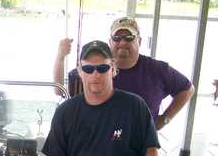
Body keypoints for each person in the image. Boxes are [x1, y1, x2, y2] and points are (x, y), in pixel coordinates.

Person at [53, 17, 194, 130]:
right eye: (117, 38)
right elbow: (59, 90)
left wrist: (165, 119)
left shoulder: (159, 70)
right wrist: (60, 58)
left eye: (128, 37)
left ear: (139, 40)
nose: (122, 42)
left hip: (140, 146)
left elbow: (187, 89)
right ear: (110, 41)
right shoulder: (94, 67)